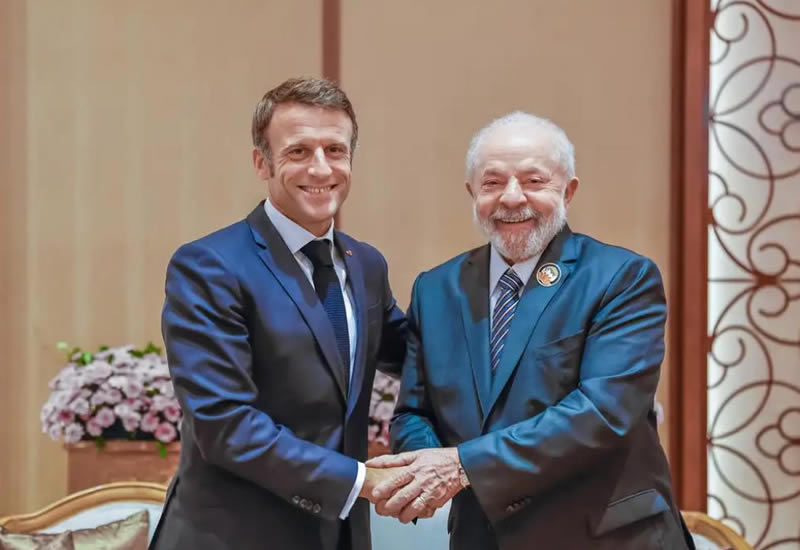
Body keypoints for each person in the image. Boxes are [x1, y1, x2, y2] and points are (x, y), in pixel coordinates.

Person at [368, 112, 695, 549]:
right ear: (472, 193)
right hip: (483, 536)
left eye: (534, 181)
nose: (511, 197)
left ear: (568, 190)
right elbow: (413, 411)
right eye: (492, 182)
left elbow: (602, 414)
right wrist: (424, 468)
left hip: (604, 537)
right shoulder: (436, 289)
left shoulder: (621, 278)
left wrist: (461, 466)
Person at [150, 77, 410, 550]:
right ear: (262, 162)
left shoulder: (366, 265)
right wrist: (360, 480)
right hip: (234, 538)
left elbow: (420, 356)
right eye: (298, 151)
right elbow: (224, 424)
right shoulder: (210, 266)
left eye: (335, 150)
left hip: (340, 537)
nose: (320, 167)